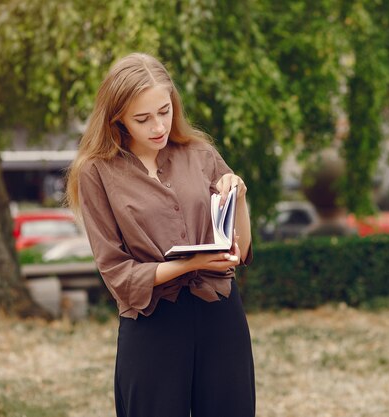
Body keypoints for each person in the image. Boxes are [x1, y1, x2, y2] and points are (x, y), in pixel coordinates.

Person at [65, 52, 255, 417]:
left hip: (220, 316)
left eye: (164, 111)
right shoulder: (96, 172)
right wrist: (191, 263)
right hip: (153, 325)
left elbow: (241, 250)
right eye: (143, 117)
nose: (158, 126)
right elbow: (118, 275)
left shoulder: (200, 153)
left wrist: (240, 197)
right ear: (117, 116)